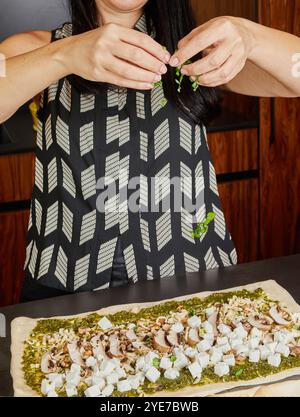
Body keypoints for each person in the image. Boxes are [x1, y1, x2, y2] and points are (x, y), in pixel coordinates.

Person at [0, 0, 299, 302]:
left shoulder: (196, 54)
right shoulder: (41, 47)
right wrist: (64, 55)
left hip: (191, 280)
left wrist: (249, 35)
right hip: (64, 283)